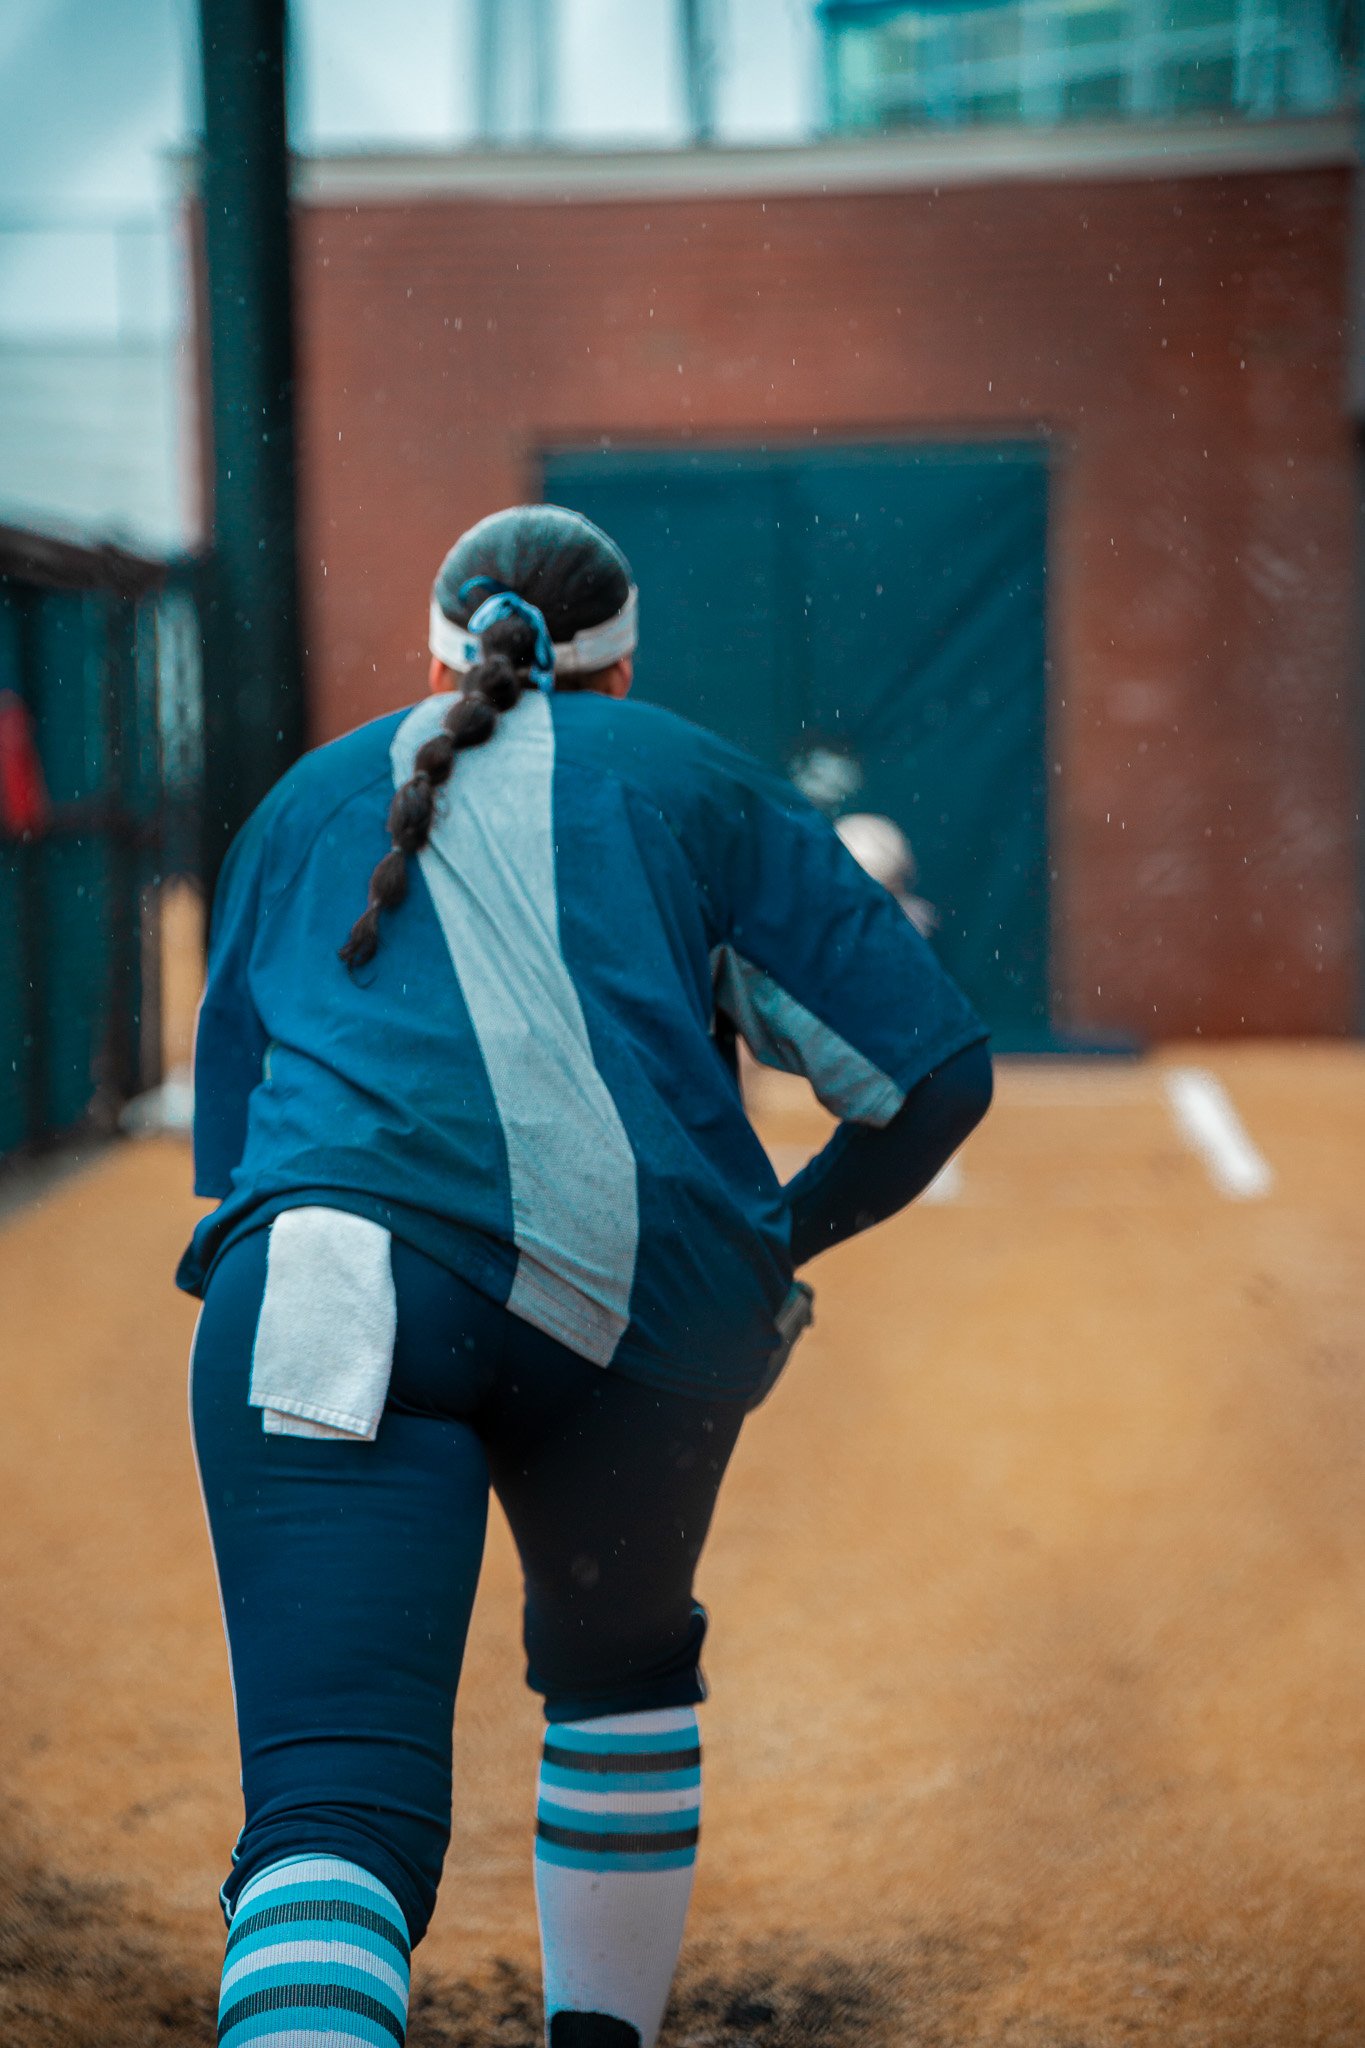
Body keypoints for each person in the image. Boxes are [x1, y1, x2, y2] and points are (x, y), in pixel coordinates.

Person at [182, 504, 993, 2048]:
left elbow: (234, 1159)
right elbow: (931, 1080)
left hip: (323, 1285)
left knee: (328, 1819)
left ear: (432, 655)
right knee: (620, 1675)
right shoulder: (697, 779)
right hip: (634, 1313)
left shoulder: (298, 801)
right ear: (621, 672)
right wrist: (779, 1239)